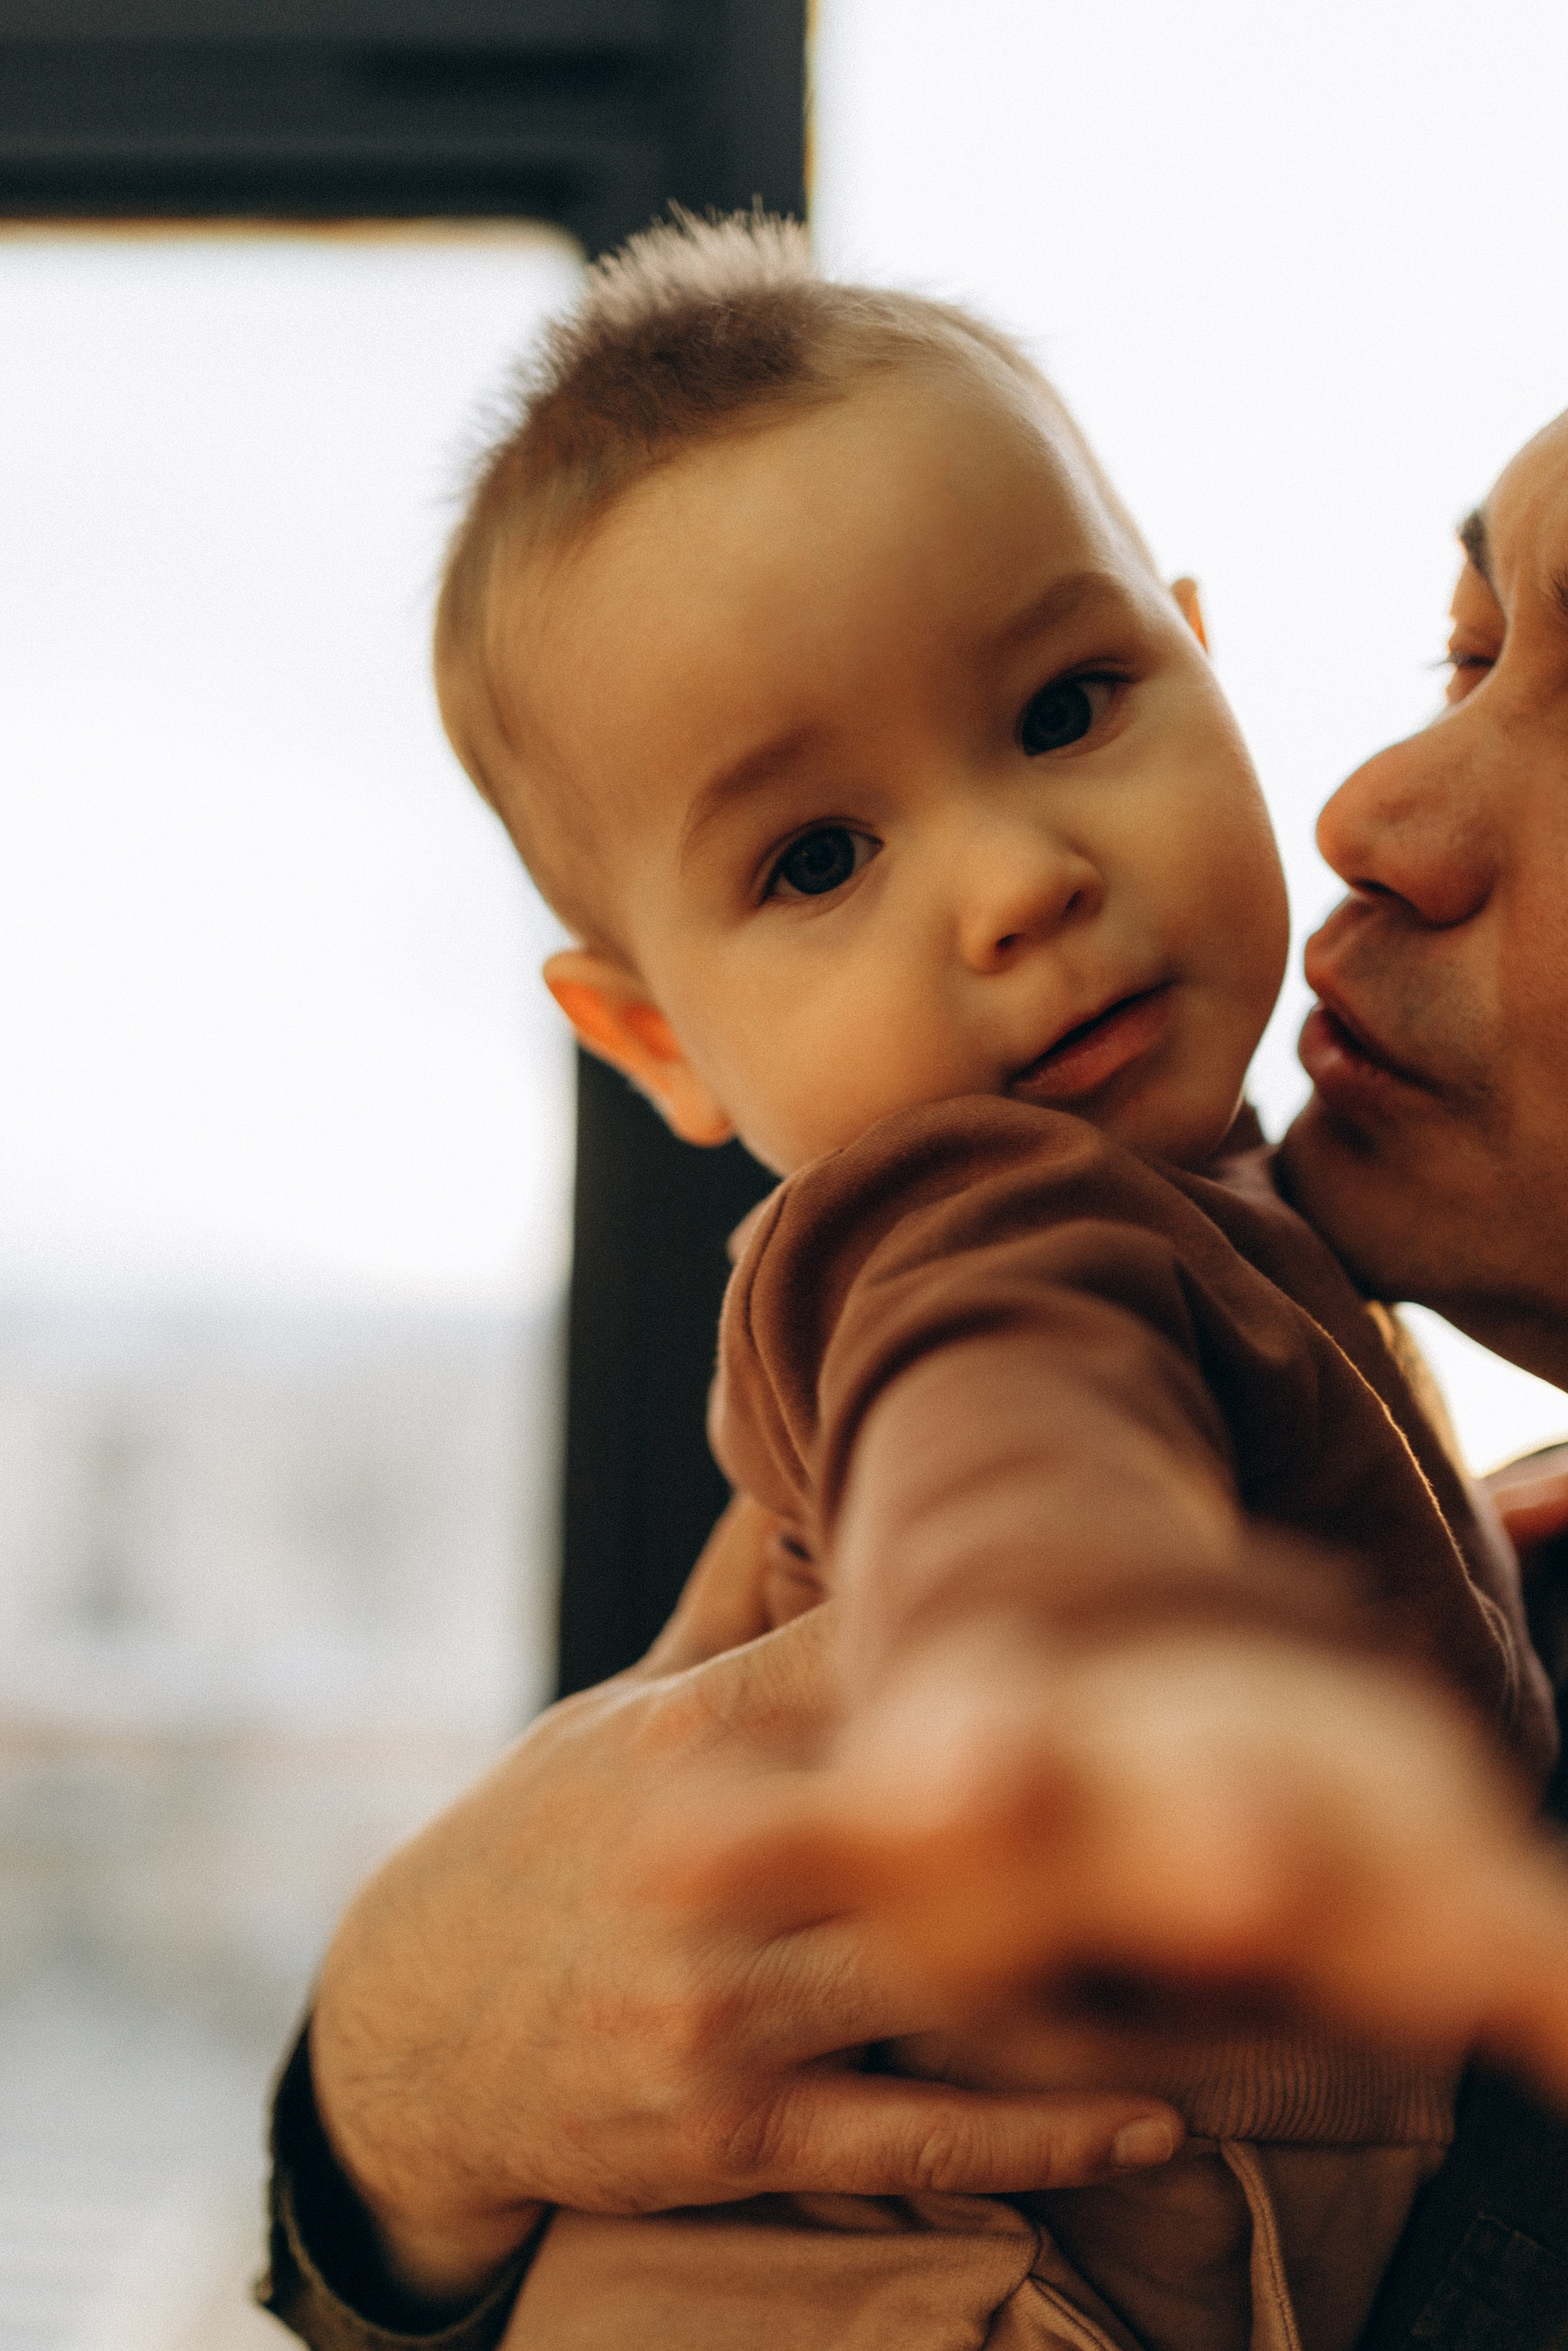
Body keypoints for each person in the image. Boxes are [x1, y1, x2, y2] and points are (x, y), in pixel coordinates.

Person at [277, 207, 1559, 2351]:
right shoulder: (972, 1213)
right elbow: (1008, 1415)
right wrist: (1053, 1660)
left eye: (1067, 707)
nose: (1015, 881)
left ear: (1199, 652)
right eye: (817, 858)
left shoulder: (1236, 1243)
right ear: (654, 1039)